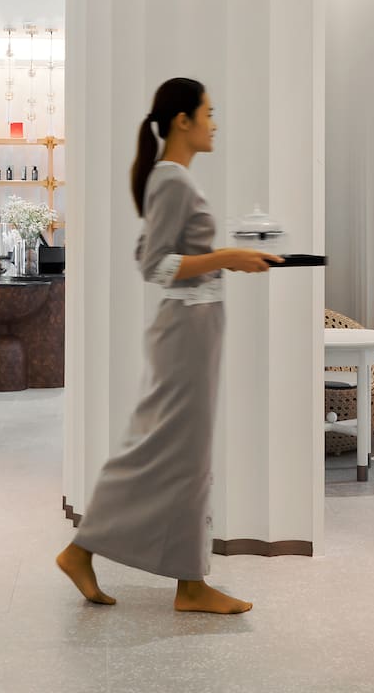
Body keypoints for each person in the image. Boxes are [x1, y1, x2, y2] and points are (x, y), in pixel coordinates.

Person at [55, 77, 280, 614]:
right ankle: (163, 575)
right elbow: (156, 266)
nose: (215, 123)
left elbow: (145, 248)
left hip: (194, 326)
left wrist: (229, 259)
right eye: (209, 111)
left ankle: (178, 579)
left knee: (177, 450)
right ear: (184, 120)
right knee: (171, 449)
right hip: (186, 330)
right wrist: (228, 257)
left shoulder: (167, 179)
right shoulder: (173, 181)